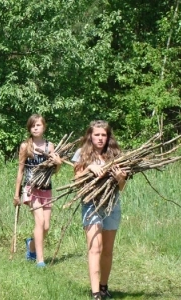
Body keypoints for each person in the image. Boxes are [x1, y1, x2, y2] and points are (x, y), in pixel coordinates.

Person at [72, 120, 127, 300]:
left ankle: (104, 287)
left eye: (104, 135)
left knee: (108, 250)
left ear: (108, 137)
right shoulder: (82, 154)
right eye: (97, 134)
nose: (100, 138)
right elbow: (76, 181)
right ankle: (96, 293)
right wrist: (89, 168)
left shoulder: (116, 155)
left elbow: (122, 187)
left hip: (112, 205)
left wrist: (120, 178)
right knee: (95, 248)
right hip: (91, 204)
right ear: (90, 135)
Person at [13, 114, 62, 268]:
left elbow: (54, 171)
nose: (35, 128)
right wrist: (16, 194)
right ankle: (40, 261)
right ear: (29, 128)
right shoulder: (25, 146)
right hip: (31, 188)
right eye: (33, 126)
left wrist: (58, 164)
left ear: (44, 127)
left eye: (38, 125)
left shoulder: (50, 146)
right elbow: (20, 170)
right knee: (39, 221)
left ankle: (31, 246)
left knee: (46, 226)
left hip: (46, 188)